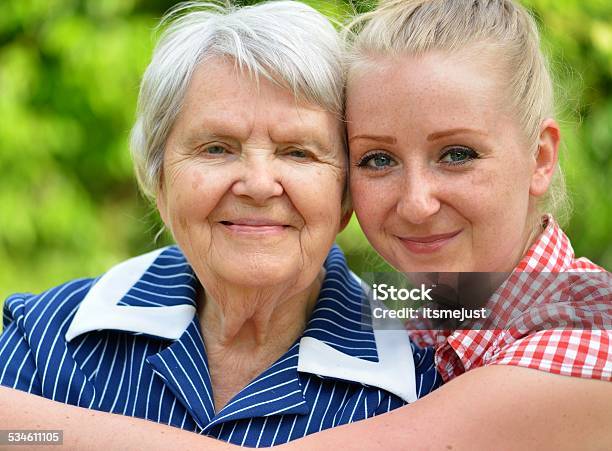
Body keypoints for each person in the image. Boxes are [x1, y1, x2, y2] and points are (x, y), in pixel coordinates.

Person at [2, 0, 611, 449]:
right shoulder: (434, 311)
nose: (417, 202)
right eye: (215, 148)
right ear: (157, 175)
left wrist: (27, 427)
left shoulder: (585, 330)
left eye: (299, 153)